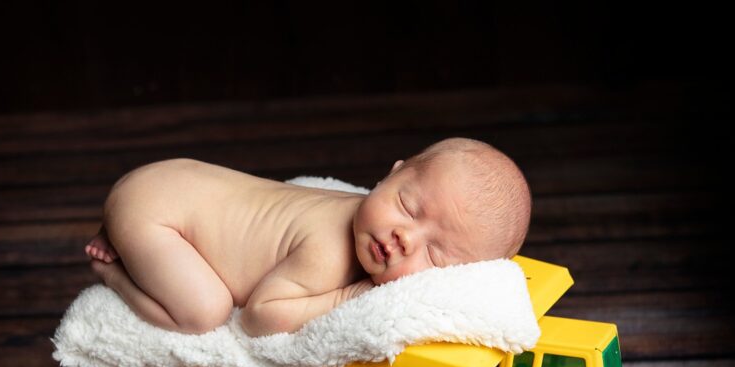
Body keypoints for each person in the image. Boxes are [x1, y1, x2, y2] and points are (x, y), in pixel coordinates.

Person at [85, 137, 531, 337]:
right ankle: (114, 269)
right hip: (155, 211)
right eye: (409, 208)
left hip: (173, 177)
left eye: (434, 255)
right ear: (392, 175)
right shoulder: (329, 251)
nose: (403, 238)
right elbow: (260, 316)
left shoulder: (359, 213)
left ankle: (121, 231)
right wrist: (349, 296)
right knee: (205, 312)